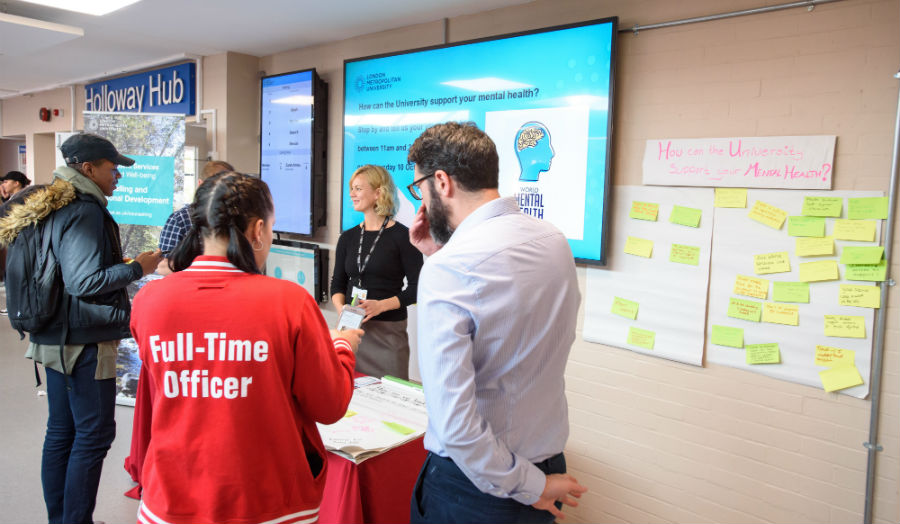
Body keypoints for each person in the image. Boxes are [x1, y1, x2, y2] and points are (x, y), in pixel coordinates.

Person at [129, 172, 363, 524]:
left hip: (171, 496)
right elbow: (328, 405)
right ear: (256, 231)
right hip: (268, 501)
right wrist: (342, 347)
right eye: (270, 229)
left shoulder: (149, 300)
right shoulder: (289, 302)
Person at [405, 122, 587, 523]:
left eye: (419, 188)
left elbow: (456, 425)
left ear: (442, 182)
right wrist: (435, 255)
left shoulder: (452, 268)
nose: (420, 199)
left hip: (476, 487)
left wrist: (530, 487)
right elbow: (511, 329)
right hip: (546, 462)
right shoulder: (553, 240)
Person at [0, 133, 162, 524]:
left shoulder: (47, 202)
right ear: (87, 169)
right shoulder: (85, 209)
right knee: (92, 435)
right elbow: (85, 282)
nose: (118, 177)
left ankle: (64, 519)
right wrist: (138, 267)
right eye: (113, 169)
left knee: (62, 432)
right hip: (81, 341)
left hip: (53, 335)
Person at [330, 164, 423, 379]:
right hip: (352, 330)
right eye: (351, 188)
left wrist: (380, 306)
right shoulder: (348, 237)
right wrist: (342, 309)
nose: (352, 194)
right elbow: (337, 284)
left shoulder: (403, 237)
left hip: (388, 334)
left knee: (390, 400)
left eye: (358, 189)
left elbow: (418, 288)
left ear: (378, 193)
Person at [156, 160, 234, 275]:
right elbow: (162, 265)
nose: (220, 192)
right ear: (200, 184)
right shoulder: (180, 219)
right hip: (188, 288)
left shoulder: (238, 218)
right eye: (214, 186)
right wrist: (200, 271)